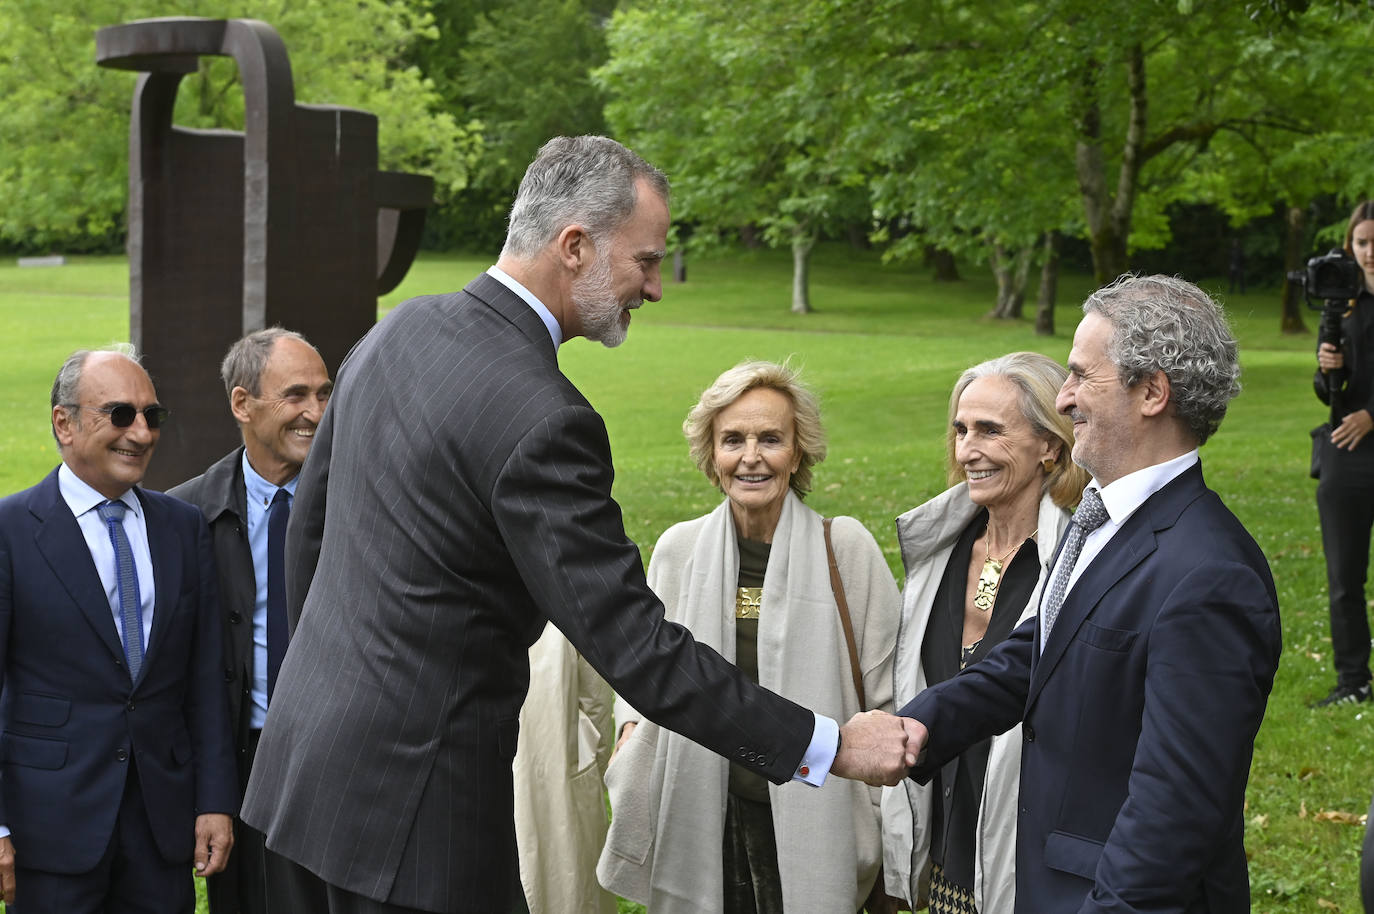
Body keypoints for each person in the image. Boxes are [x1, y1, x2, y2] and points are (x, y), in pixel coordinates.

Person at [239, 135, 915, 914]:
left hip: (304, 777)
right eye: (647, 261)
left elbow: (308, 538)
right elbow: (636, 645)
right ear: (574, 246)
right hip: (419, 812)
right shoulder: (547, 420)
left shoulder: (398, 331)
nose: (654, 289)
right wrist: (828, 745)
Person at [900, 274, 1282, 913]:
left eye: (1081, 376)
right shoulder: (1101, 517)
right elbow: (1040, 655)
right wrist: (916, 727)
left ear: (1152, 392)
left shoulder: (1212, 575)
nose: (1066, 397)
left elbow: (1174, 810)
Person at [597, 360, 902, 913]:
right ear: (712, 456)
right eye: (732, 439)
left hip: (820, 817)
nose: (751, 457)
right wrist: (629, 734)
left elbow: (888, 694)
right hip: (704, 814)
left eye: (770, 439)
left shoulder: (847, 550)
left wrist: (879, 811)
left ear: (799, 450)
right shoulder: (678, 550)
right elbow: (642, 670)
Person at [0, 347, 237, 912]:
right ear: (65, 422)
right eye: (120, 414)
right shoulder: (9, 531)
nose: (141, 432)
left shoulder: (182, 527)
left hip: (161, 829)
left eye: (152, 416)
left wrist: (214, 801)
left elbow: (205, 679)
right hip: (49, 831)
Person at [882, 351, 1089, 914]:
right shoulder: (936, 551)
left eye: (990, 431)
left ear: (1050, 445)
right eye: (961, 429)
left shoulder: (1076, 562)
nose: (967, 450)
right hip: (946, 830)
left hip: (1028, 848)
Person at [168, 328, 333, 913]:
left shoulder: (360, 502)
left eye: (323, 393)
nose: (314, 412)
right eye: (295, 395)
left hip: (339, 761)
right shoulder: (184, 516)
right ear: (243, 404)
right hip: (239, 766)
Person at [1312, 200, 1374, 707]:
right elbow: (1328, 391)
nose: (1370, 252)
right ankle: (1353, 681)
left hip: (1366, 432)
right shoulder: (1341, 302)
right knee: (1344, 576)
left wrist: (1372, 414)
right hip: (1345, 453)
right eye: (1362, 242)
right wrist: (1327, 367)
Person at [512, 627, 617, 914]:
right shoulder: (567, 589)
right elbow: (595, 698)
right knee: (564, 884)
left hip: (510, 760)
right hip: (559, 760)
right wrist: (597, 763)